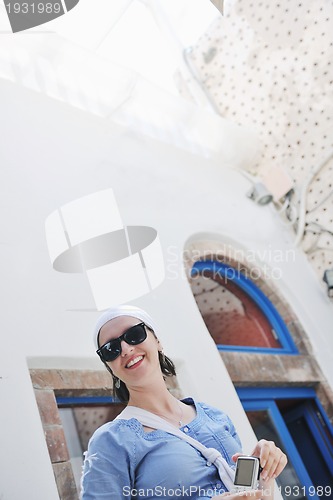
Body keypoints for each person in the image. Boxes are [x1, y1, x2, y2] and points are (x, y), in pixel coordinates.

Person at [81, 305, 287, 499]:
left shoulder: (214, 416)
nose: (125, 349)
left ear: (157, 341)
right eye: (111, 349)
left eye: (134, 335)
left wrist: (263, 472)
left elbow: (249, 494)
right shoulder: (111, 441)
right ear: (110, 368)